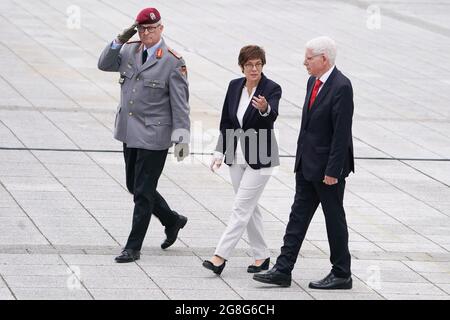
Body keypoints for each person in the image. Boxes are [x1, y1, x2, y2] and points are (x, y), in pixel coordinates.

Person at [253, 36, 354, 289]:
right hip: (307, 165)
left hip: (328, 170)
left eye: (309, 58)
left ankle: (342, 273)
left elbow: (342, 133)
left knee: (334, 219)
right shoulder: (313, 81)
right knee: (297, 217)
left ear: (324, 59)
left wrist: (333, 171)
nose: (304, 63)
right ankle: (283, 269)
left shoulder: (342, 86)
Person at [98, 7, 190, 263]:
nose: (146, 33)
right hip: (129, 131)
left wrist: (182, 138)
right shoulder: (129, 50)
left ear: (161, 28)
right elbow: (103, 64)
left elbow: (181, 104)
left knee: (143, 191)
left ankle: (133, 246)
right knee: (134, 185)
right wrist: (119, 39)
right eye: (141, 29)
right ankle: (172, 220)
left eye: (151, 28)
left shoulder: (172, 61)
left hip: (154, 135)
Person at [202, 45, 282, 275]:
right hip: (236, 156)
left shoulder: (272, 88)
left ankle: (219, 257)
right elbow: (227, 121)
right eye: (249, 65)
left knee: (240, 207)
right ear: (242, 66)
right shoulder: (234, 86)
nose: (254, 69)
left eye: (258, 64)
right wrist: (219, 152)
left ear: (263, 65)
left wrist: (265, 108)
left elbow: (272, 115)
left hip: (261, 158)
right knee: (249, 206)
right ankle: (262, 256)